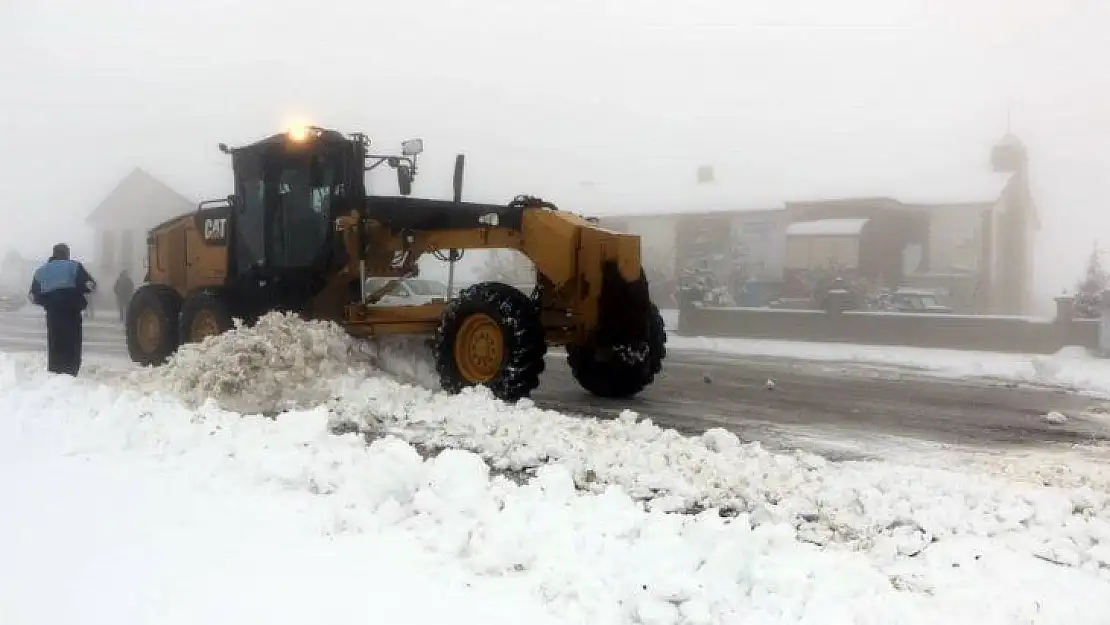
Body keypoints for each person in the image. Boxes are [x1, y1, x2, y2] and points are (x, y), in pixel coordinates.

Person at [28, 243, 96, 376]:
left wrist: (45, 302)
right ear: (67, 254)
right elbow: (91, 285)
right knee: (73, 342)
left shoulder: (42, 271)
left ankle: (55, 369)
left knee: (55, 341)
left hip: (53, 313)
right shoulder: (74, 266)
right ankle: (71, 371)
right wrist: (81, 291)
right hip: (72, 312)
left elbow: (32, 296)